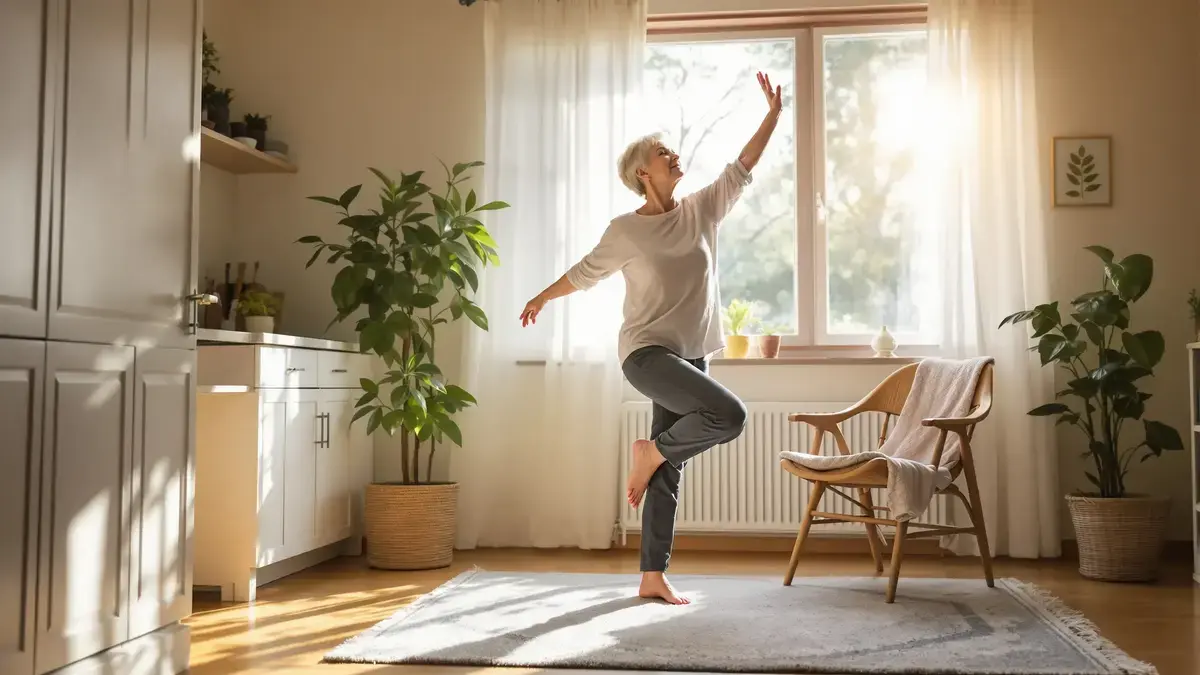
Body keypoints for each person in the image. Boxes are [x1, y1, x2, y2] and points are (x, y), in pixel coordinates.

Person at [519, 72, 784, 604]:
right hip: (645, 354)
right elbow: (585, 272)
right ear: (644, 172)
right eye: (665, 152)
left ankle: (651, 575)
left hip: (691, 354)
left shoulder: (702, 209)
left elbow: (743, 165)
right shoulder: (626, 230)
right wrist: (544, 297)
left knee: (666, 461)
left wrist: (772, 116)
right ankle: (651, 454)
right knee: (729, 417)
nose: (675, 156)